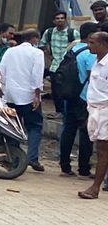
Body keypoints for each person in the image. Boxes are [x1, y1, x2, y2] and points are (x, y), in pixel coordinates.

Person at [0, 28, 47, 172]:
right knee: (34, 126)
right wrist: (37, 95)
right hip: (28, 96)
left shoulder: (10, 51)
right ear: (34, 38)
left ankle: (14, 158)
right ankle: (32, 157)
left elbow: (1, 73)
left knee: (14, 126)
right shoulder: (37, 53)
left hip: (11, 95)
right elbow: (37, 75)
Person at [58, 23, 98, 178]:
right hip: (84, 97)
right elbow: (92, 76)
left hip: (70, 96)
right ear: (90, 36)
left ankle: (65, 167)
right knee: (86, 133)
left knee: (68, 130)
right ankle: (83, 169)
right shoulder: (90, 53)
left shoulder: (72, 50)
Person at [77, 31, 108, 199]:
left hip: (105, 110)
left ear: (103, 44)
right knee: (101, 148)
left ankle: (95, 187)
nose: (88, 46)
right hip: (95, 109)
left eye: (92, 43)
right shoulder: (96, 62)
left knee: (103, 149)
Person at [41, 10, 78, 104]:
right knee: (55, 90)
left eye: (62, 18)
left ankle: (65, 111)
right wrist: (48, 56)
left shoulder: (73, 33)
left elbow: (80, 45)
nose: (60, 20)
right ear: (54, 21)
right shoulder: (49, 32)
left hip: (68, 67)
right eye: (57, 18)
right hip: (54, 66)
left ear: (65, 20)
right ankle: (58, 111)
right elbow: (42, 44)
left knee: (67, 89)